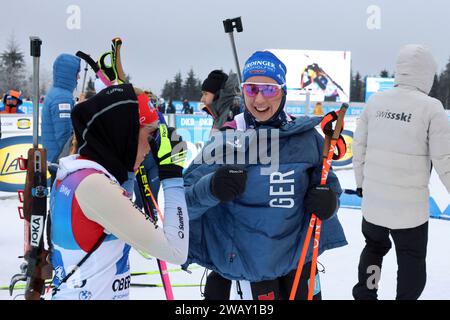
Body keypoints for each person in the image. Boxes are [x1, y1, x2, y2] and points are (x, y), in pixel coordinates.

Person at [183, 51, 347, 300]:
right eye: (251, 89)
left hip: (297, 263)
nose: (259, 99)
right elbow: (182, 205)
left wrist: (329, 201)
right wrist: (212, 187)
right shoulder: (227, 139)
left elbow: (329, 185)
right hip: (244, 268)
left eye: (269, 89)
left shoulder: (306, 137)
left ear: (283, 91)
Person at [50, 83, 189, 300]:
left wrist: (128, 167)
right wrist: (172, 176)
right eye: (149, 135)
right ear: (125, 135)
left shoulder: (78, 173)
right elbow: (176, 251)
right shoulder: (95, 187)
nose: (151, 147)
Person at [352, 44, 450, 300]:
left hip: (374, 205)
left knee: (374, 248)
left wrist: (362, 184)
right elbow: (445, 159)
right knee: (411, 261)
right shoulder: (432, 108)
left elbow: (359, 148)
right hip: (410, 213)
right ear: (427, 73)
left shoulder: (375, 102)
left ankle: (366, 294)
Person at [41, 53, 81, 183]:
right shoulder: (62, 98)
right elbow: (64, 134)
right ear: (69, 74)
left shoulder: (58, 93)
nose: (79, 77)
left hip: (55, 158)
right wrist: (72, 156)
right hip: (60, 160)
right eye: (77, 73)